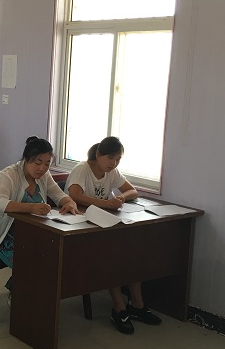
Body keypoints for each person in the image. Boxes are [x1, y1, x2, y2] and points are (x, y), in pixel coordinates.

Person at [65, 136, 162, 334]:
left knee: (132, 253)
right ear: (98, 154)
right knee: (114, 256)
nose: (113, 163)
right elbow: (75, 195)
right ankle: (119, 308)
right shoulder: (83, 169)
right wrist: (106, 203)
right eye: (110, 158)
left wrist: (120, 198)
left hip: (105, 226)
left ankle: (137, 305)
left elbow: (132, 191)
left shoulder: (112, 172)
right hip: (82, 230)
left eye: (118, 159)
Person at [0, 136, 78, 292]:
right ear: (26, 159)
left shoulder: (44, 176)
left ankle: (26, 291)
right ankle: (20, 292)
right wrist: (31, 208)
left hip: (35, 234)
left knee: (56, 253)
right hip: (6, 236)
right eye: (38, 163)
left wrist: (70, 203)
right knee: (37, 257)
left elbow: (59, 195)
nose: (42, 168)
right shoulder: (9, 175)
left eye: (47, 164)